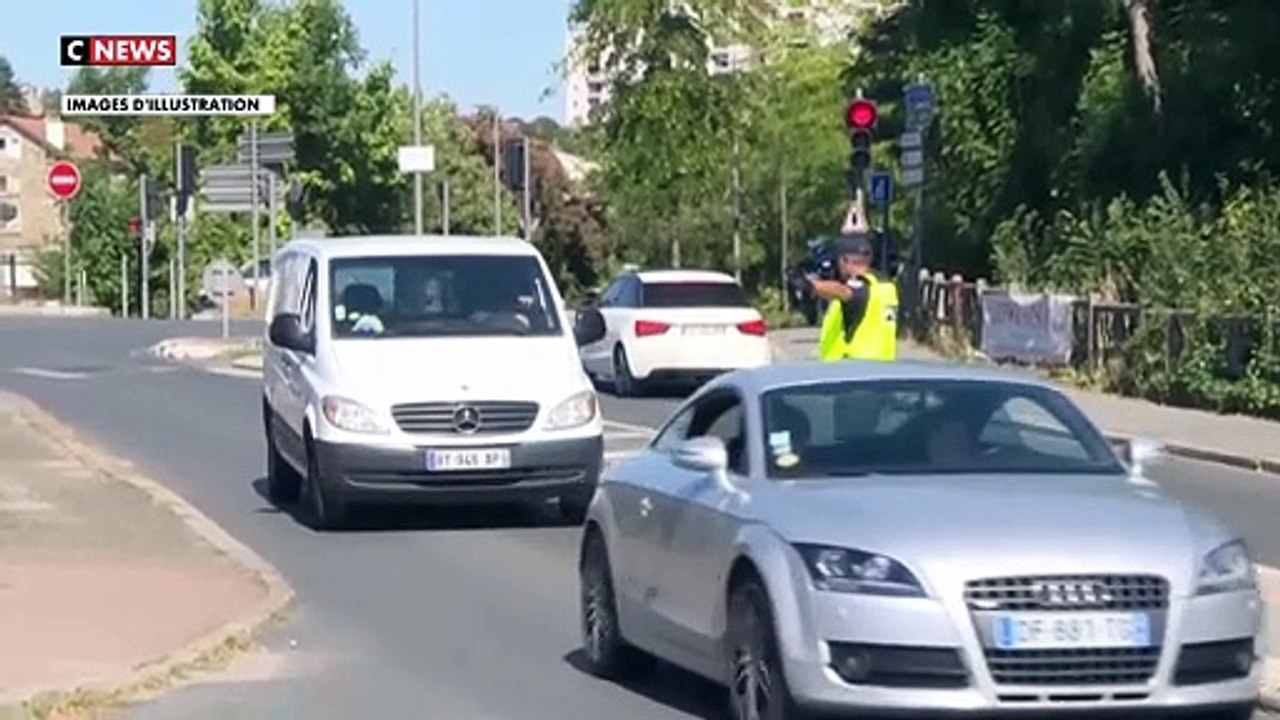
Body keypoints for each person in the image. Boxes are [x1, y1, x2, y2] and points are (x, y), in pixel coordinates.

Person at [803, 188, 900, 361]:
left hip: (853, 369)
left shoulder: (861, 285)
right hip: (883, 369)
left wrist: (812, 286)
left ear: (846, 260)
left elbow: (844, 292)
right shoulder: (886, 287)